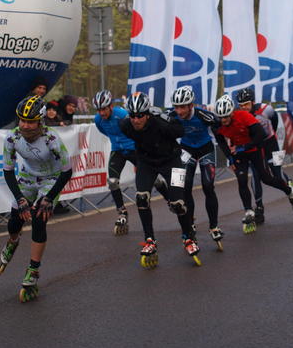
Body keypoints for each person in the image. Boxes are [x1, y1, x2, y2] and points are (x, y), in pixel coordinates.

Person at [0, 95, 73, 302]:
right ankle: (13, 241)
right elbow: (8, 171)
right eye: (22, 120)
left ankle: (33, 270)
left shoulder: (51, 139)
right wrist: (20, 199)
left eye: (30, 122)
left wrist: (49, 198)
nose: (25, 126)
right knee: (15, 221)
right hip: (27, 177)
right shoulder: (12, 138)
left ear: (40, 121)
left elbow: (67, 171)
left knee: (39, 218)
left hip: (51, 179)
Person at [119, 91, 200, 267]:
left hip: (173, 161)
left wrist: (165, 116)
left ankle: (188, 236)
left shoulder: (161, 123)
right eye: (132, 116)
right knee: (141, 197)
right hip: (147, 162)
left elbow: (180, 130)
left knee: (178, 204)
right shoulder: (125, 125)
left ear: (147, 115)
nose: (136, 120)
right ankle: (150, 240)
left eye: (140, 116)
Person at [213, 94, 293, 235]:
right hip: (243, 151)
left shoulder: (260, 111)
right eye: (241, 105)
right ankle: (253, 210)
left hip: (269, 145)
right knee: (244, 179)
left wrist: (246, 146)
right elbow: (221, 141)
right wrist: (230, 158)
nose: (223, 120)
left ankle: (289, 190)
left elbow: (265, 131)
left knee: (272, 175)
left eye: (246, 104)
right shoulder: (218, 123)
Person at [92, 89, 167, 235]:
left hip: (133, 149)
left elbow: (137, 127)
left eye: (104, 109)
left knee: (155, 180)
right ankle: (122, 213)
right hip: (117, 150)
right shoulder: (98, 120)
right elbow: (104, 132)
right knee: (112, 182)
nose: (101, 113)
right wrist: (117, 142)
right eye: (99, 110)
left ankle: (170, 199)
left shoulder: (122, 114)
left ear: (111, 106)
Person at [169, 86, 223, 249]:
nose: (179, 111)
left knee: (208, 186)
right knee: (184, 187)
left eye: (182, 107)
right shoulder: (172, 116)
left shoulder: (203, 115)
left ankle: (214, 226)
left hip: (206, 149)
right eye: (176, 107)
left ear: (191, 105)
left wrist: (229, 151)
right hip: (187, 149)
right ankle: (189, 223)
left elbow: (221, 128)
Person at [236, 87, 293, 225]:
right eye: (241, 105)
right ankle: (259, 209)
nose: (243, 108)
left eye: (246, 104)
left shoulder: (266, 109)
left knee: (277, 174)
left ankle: (288, 184)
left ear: (253, 102)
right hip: (257, 147)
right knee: (256, 175)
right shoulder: (240, 116)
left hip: (272, 143)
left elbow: (275, 120)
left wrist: (271, 134)